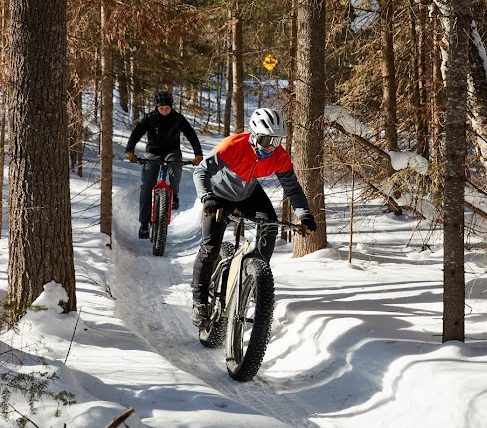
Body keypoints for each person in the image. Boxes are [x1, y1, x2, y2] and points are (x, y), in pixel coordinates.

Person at [191, 107, 317, 327]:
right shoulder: (232, 146)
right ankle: (199, 302)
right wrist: (206, 198)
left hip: (248, 193)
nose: (271, 146)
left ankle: (257, 277)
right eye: (266, 139)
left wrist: (304, 214)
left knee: (270, 224)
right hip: (219, 195)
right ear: (254, 135)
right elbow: (201, 171)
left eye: (276, 141)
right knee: (210, 247)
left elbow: (292, 188)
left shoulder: (279, 156)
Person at [125, 91, 203, 239]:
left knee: (176, 166)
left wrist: (198, 154)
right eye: (161, 109)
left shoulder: (178, 119)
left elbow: (191, 135)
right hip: (153, 153)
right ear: (157, 107)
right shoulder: (150, 118)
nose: (164, 111)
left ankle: (174, 195)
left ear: (171, 106)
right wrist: (130, 151)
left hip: (172, 151)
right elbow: (136, 133)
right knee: (147, 185)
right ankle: (144, 223)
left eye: (167, 108)